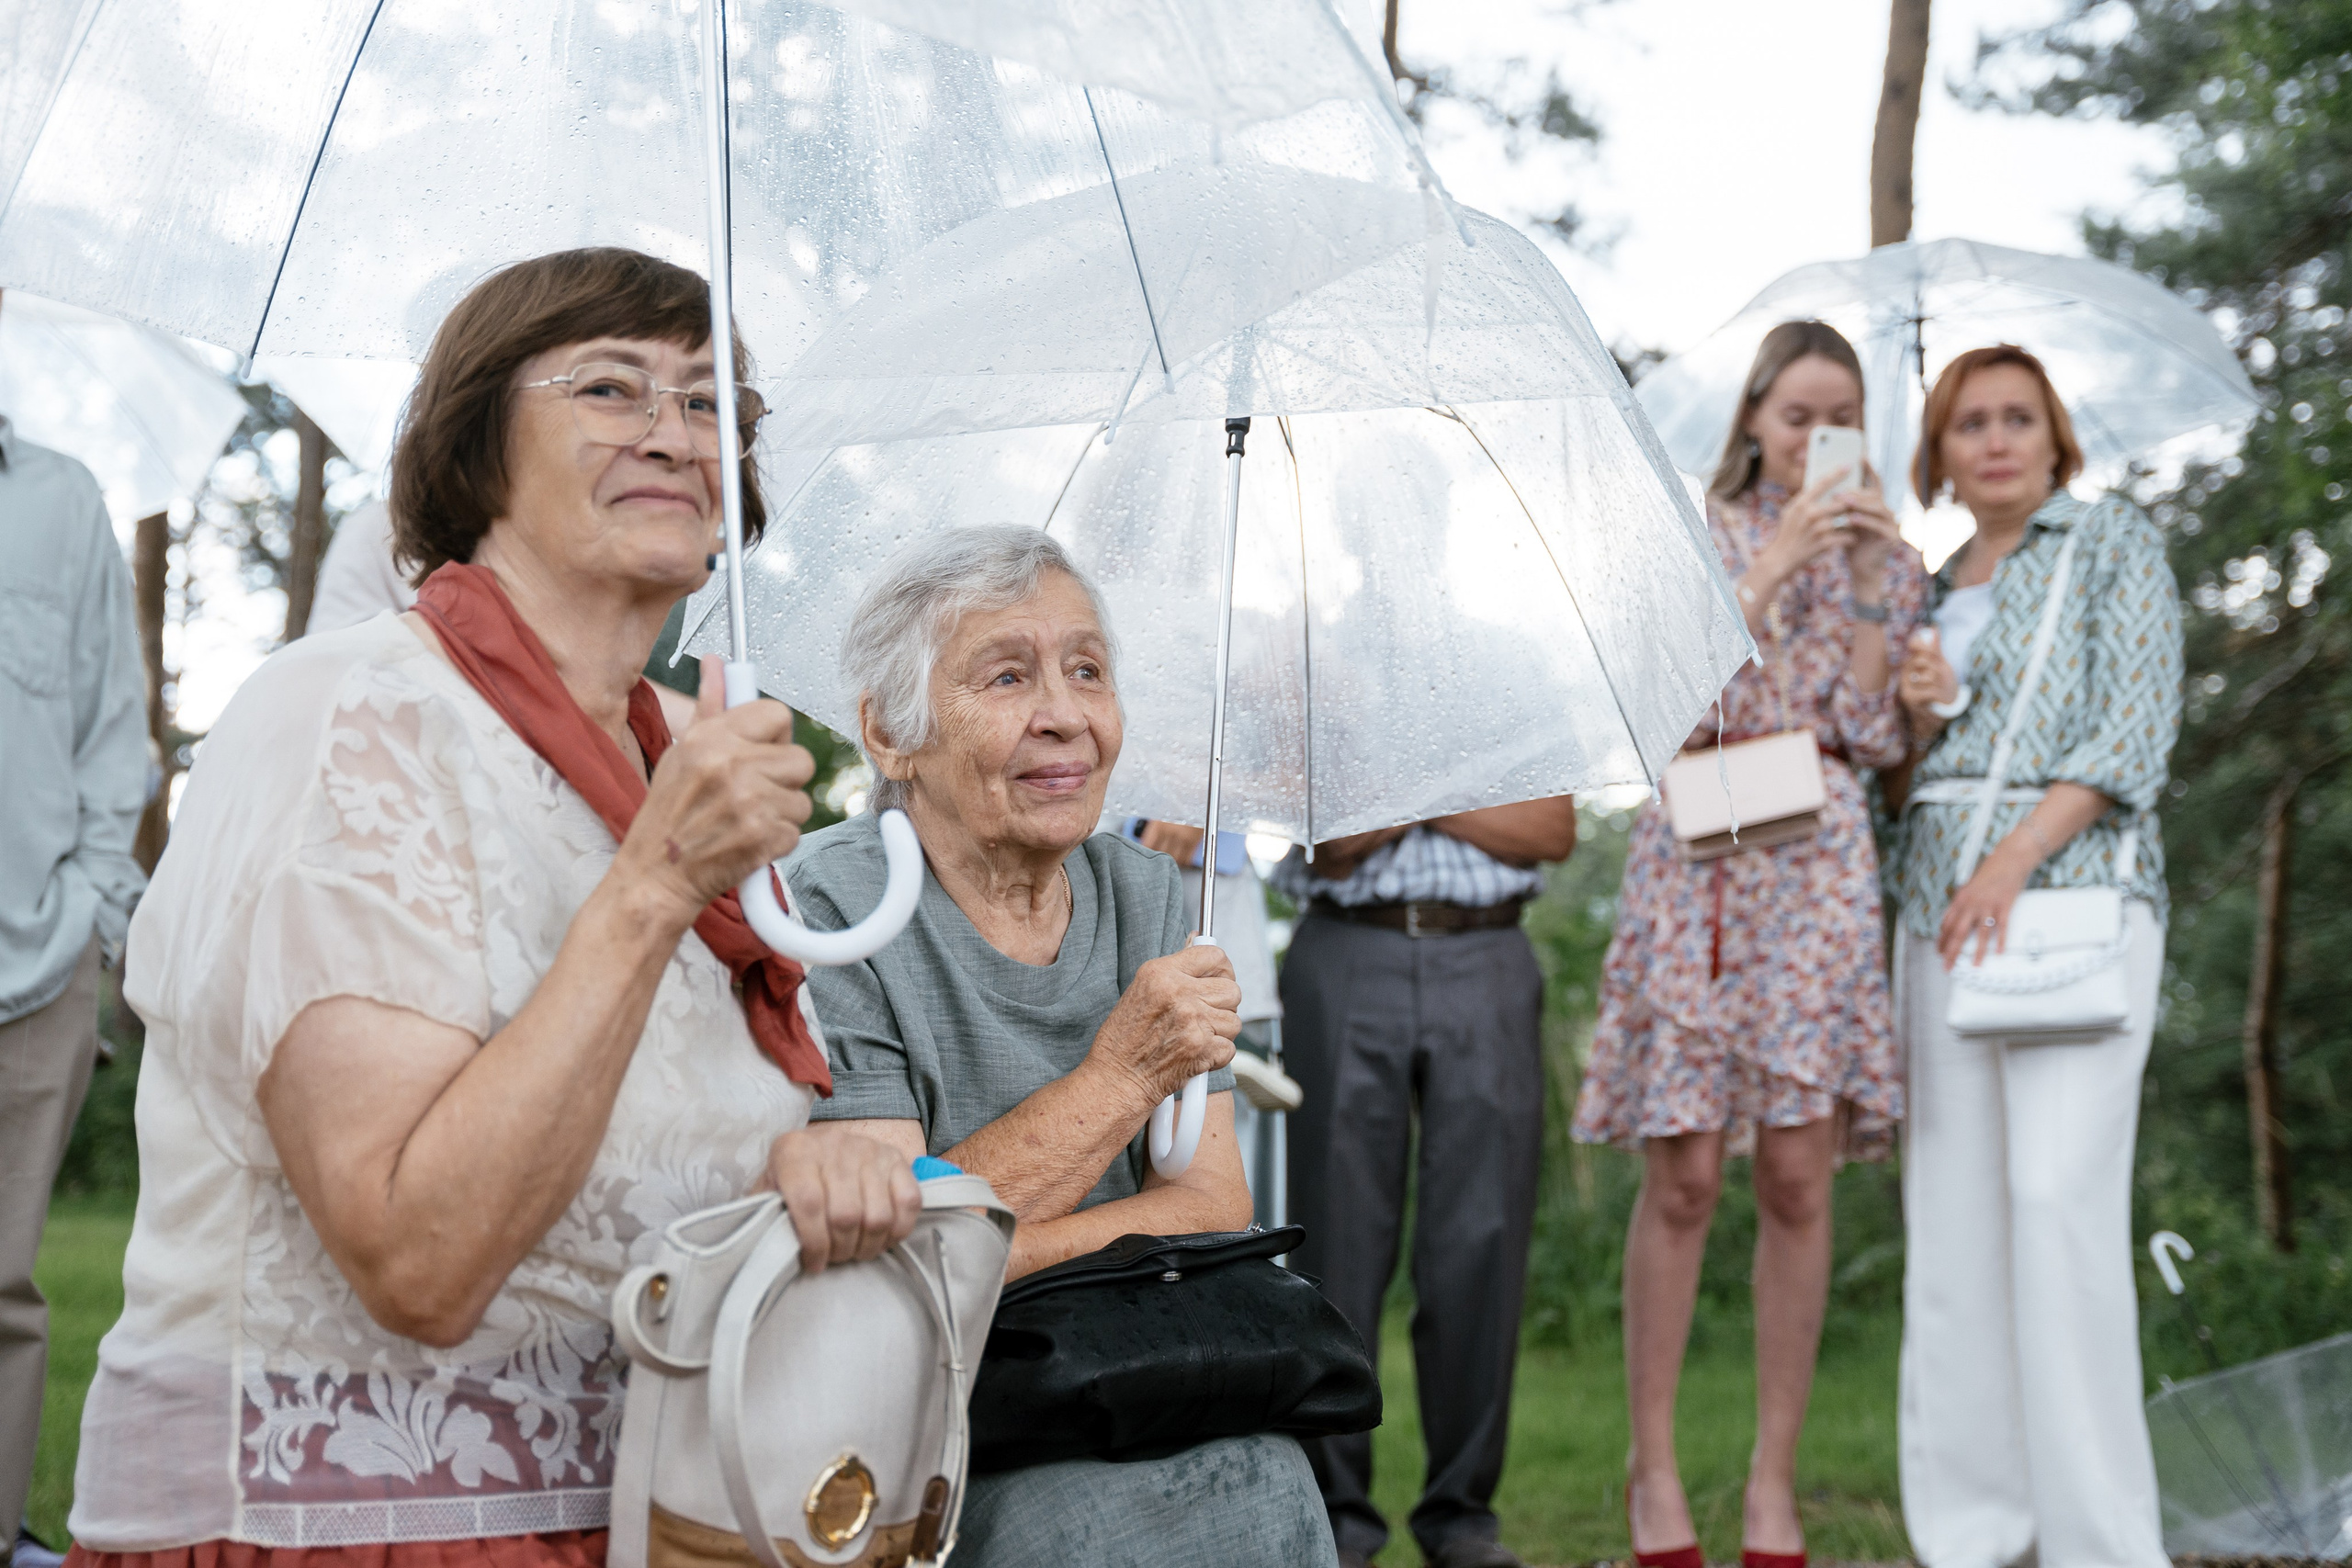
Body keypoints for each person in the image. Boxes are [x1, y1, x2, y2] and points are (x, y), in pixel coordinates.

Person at [62, 248, 921, 1565]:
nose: (672, 431)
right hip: (350, 1532)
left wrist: (786, 1170)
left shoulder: (690, 766)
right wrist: (652, 882)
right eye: (611, 385)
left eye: (708, 403)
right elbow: (419, 1258)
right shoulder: (350, 716)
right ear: (473, 439)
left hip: (658, 1521)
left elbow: (646, 1155)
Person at [791, 526, 1337, 1567]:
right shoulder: (828, 908)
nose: (1067, 717)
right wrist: (1122, 1079)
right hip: (920, 1419)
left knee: (1272, 1482)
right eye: (1007, 676)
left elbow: (1216, 1209)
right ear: (889, 733)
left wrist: (989, 1250)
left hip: (1135, 1380)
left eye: (1088, 671)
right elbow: (889, 1267)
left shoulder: (1141, 894)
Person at [1574, 319, 1922, 1567]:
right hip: (1703, 855)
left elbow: (1874, 735)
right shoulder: (1694, 537)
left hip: (1819, 871)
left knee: (1795, 1173)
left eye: (1842, 417)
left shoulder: (1887, 556)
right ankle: (1651, 1467)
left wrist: (1878, 586)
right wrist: (1770, 563)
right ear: (1755, 417)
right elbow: (1670, 704)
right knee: (1683, 1177)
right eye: (1796, 413)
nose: (1815, 436)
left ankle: (1774, 1480)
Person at [1889, 344, 2181, 1568]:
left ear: (2055, 436)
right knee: (1953, 1225)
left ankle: (2100, 1542)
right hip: (1933, 918)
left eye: (2018, 417)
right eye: (1969, 423)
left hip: (2069, 899)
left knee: (2056, 1207)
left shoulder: (2111, 541)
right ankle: (1973, 1533)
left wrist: (2005, 864)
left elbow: (2134, 725)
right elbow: (1898, 786)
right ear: (1942, 452)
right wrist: (1914, 713)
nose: (1996, 439)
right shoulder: (1932, 581)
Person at [1273, 795, 1578, 1568]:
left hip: (1488, 954)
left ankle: (1463, 1518)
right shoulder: (1323, 680)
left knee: (1483, 1239)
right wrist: (1466, 794)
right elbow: (1330, 846)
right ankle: (1337, 1517)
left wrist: (1408, 797)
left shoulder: (1514, 682)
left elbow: (1551, 831)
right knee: (1334, 1244)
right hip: (1347, 953)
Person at [0, 395, 149, 1568]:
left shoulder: (61, 499)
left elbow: (112, 726)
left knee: (2, 1294)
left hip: (33, 959)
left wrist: (94, 914)